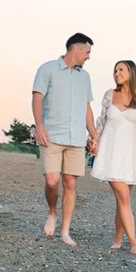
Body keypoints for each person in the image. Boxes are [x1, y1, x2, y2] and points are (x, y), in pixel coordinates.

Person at [31, 33, 100, 246]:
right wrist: (39, 127)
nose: (88, 57)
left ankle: (66, 231)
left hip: (76, 139)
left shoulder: (84, 77)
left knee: (70, 183)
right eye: (87, 52)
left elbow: (87, 107)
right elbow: (37, 98)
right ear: (76, 49)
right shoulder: (47, 69)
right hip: (51, 135)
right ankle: (52, 212)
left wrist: (94, 135)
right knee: (52, 181)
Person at [90, 60, 136, 255]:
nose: (117, 73)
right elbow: (101, 121)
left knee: (122, 200)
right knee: (124, 197)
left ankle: (118, 240)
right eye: (115, 70)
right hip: (110, 153)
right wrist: (94, 141)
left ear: (131, 73)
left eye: (121, 70)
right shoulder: (110, 95)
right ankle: (134, 243)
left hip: (131, 155)